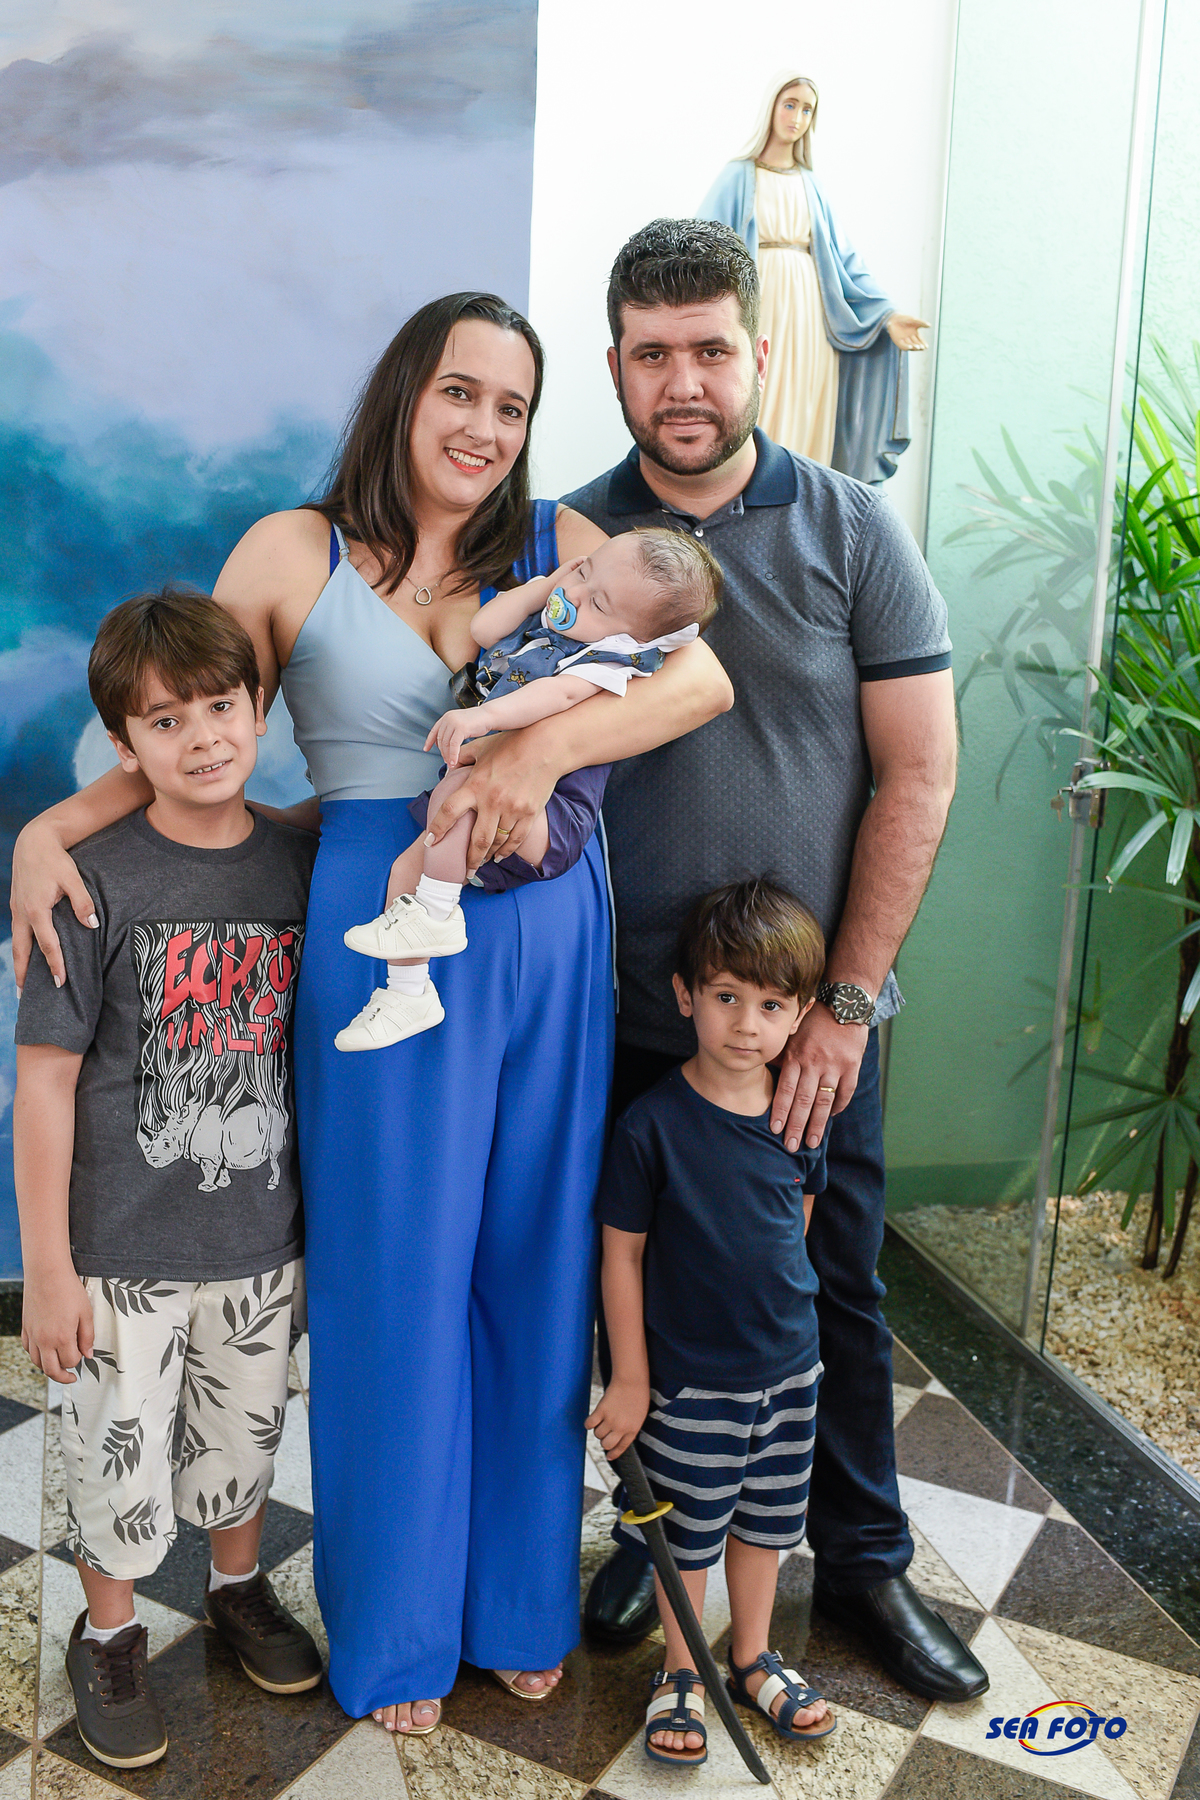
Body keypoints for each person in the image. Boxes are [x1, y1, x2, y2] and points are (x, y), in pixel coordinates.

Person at [9, 292, 732, 1734]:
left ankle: (517, 1603)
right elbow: (185, 718)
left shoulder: (563, 544)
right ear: (407, 393)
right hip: (375, 918)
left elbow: (699, 676)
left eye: (513, 406)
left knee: (533, 1268)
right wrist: (49, 829)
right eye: (460, 392)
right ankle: (397, 1631)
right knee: (393, 1277)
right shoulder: (295, 550)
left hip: (548, 928)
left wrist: (545, 756)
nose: (484, 427)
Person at [566, 220, 985, 1703]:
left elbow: (920, 773)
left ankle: (863, 1565)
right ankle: (657, 1540)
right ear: (616, 362)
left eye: (709, 350)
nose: (682, 381)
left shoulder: (855, 532)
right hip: (626, 1017)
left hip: (811, 1026)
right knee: (635, 1290)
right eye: (652, 353)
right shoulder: (575, 539)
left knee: (835, 1288)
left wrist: (846, 1008)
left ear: (759, 351)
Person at [13, 590, 321, 1770]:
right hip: (118, 1255)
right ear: (124, 745)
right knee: (119, 1460)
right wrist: (50, 1269)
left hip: (257, 1237)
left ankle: (236, 1590)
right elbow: (45, 1086)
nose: (202, 737)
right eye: (165, 720)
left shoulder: (299, 863)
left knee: (242, 1444)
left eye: (221, 706)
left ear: (258, 709)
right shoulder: (89, 880)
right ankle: (111, 1634)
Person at [587, 879, 835, 1768]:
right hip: (692, 1383)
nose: (746, 1025)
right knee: (685, 1535)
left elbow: (796, 1223)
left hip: (790, 1373)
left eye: (770, 1006)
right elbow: (621, 1257)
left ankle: (753, 1657)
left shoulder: (799, 1115)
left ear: (800, 1013)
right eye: (726, 997)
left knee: (767, 1526)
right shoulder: (650, 1125)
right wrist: (631, 1377)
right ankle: (681, 1671)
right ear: (685, 995)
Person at [336, 527, 720, 1050]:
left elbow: (554, 697)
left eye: (598, 603)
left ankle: (436, 915)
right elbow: (483, 627)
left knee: (455, 804)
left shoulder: (605, 664)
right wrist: (545, 586)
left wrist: (483, 717)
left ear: (633, 639)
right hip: (490, 787)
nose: (575, 595)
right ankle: (407, 992)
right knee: (410, 865)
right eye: (583, 570)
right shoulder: (547, 624)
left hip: (554, 815)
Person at [698, 71, 928, 483]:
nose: (797, 117)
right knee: (756, 397)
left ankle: (801, 499)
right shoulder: (738, 176)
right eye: (790, 104)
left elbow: (845, 260)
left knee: (806, 405)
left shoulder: (811, 185)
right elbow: (704, 249)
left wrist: (887, 315)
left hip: (810, 320)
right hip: (758, 308)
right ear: (771, 107)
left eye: (807, 110)